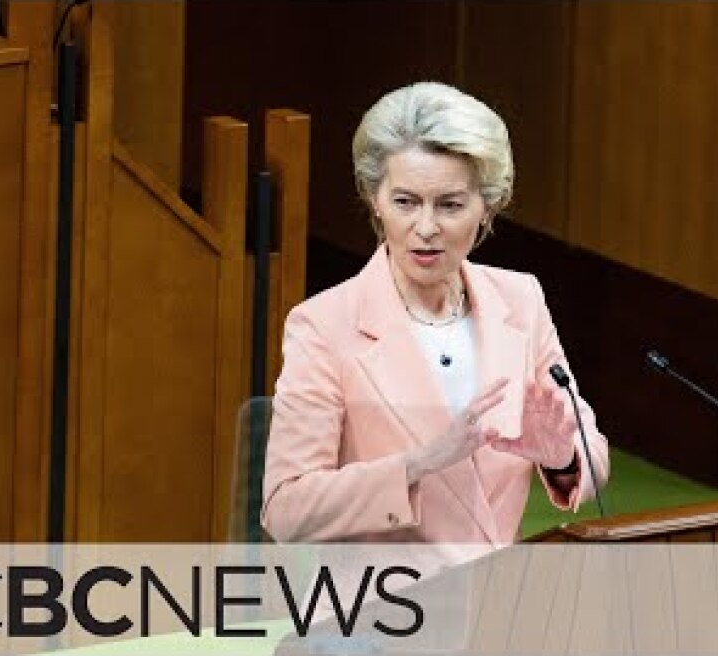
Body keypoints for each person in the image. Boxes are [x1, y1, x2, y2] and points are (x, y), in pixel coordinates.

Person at [261, 82, 609, 569]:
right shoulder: (323, 326)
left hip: (496, 610)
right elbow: (286, 509)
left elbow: (588, 448)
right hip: (378, 620)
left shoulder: (521, 300)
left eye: (449, 205)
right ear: (375, 201)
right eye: (405, 202)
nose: (426, 227)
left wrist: (562, 458)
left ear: (486, 207)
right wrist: (419, 464)